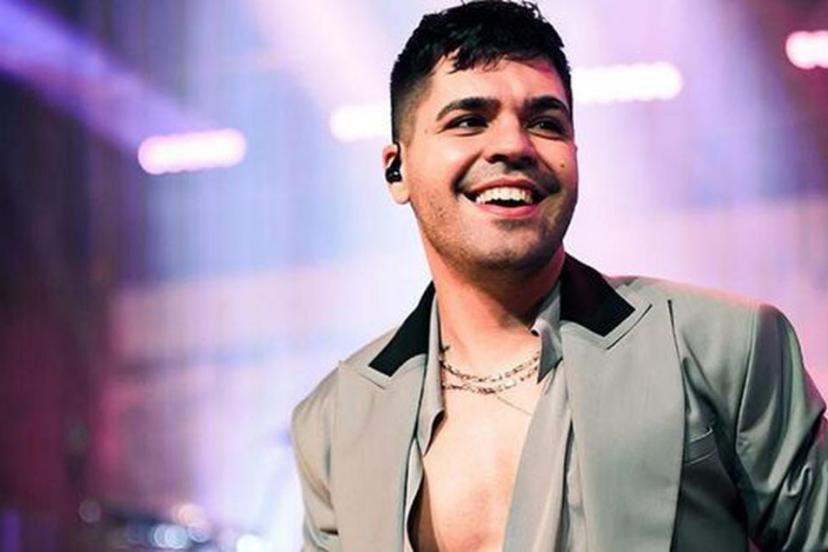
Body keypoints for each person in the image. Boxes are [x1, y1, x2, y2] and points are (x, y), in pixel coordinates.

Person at [291, 1, 828, 550]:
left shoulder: (725, 349)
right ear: (396, 169)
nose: (513, 145)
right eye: (468, 121)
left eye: (545, 123)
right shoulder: (334, 421)